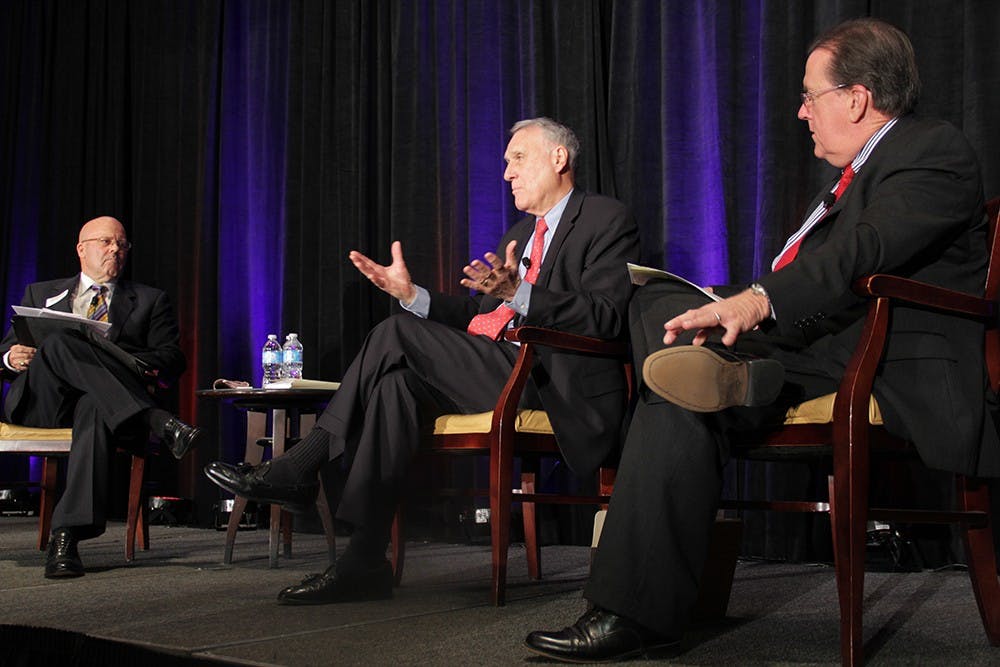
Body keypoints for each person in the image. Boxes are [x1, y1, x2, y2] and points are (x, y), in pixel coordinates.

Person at [524, 18, 1000, 662]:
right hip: (807, 351)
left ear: (855, 98)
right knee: (656, 306)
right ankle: (727, 375)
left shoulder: (931, 149)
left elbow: (868, 250)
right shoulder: (842, 182)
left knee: (683, 374)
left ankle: (635, 611)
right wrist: (723, 301)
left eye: (810, 96)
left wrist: (756, 300)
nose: (800, 111)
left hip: (876, 358)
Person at [205, 117, 640, 604]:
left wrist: (520, 292)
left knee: (394, 335)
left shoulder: (605, 218)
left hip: (553, 377)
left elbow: (604, 316)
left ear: (559, 159)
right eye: (505, 163)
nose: (506, 174)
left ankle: (301, 466)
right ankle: (363, 561)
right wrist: (413, 295)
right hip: (498, 365)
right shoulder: (520, 231)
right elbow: (481, 315)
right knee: (394, 387)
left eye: (517, 159)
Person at [0, 215, 202, 579]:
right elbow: (5, 351)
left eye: (122, 245)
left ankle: (66, 539)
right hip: (43, 401)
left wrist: (114, 358)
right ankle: (157, 420)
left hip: (106, 408)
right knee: (62, 340)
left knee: (93, 406)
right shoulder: (41, 293)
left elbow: (172, 358)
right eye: (107, 242)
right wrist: (11, 357)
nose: (116, 250)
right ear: (82, 249)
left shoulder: (149, 301)